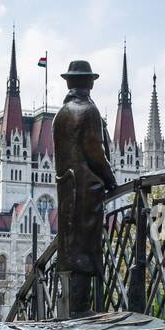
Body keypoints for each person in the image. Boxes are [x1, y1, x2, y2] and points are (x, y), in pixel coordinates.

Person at [52, 60, 117, 316]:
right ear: (89, 82)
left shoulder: (61, 113)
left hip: (67, 189)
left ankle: (69, 306)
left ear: (69, 82)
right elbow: (95, 152)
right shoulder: (88, 111)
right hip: (87, 188)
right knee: (86, 246)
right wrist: (110, 179)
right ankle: (80, 308)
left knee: (70, 245)